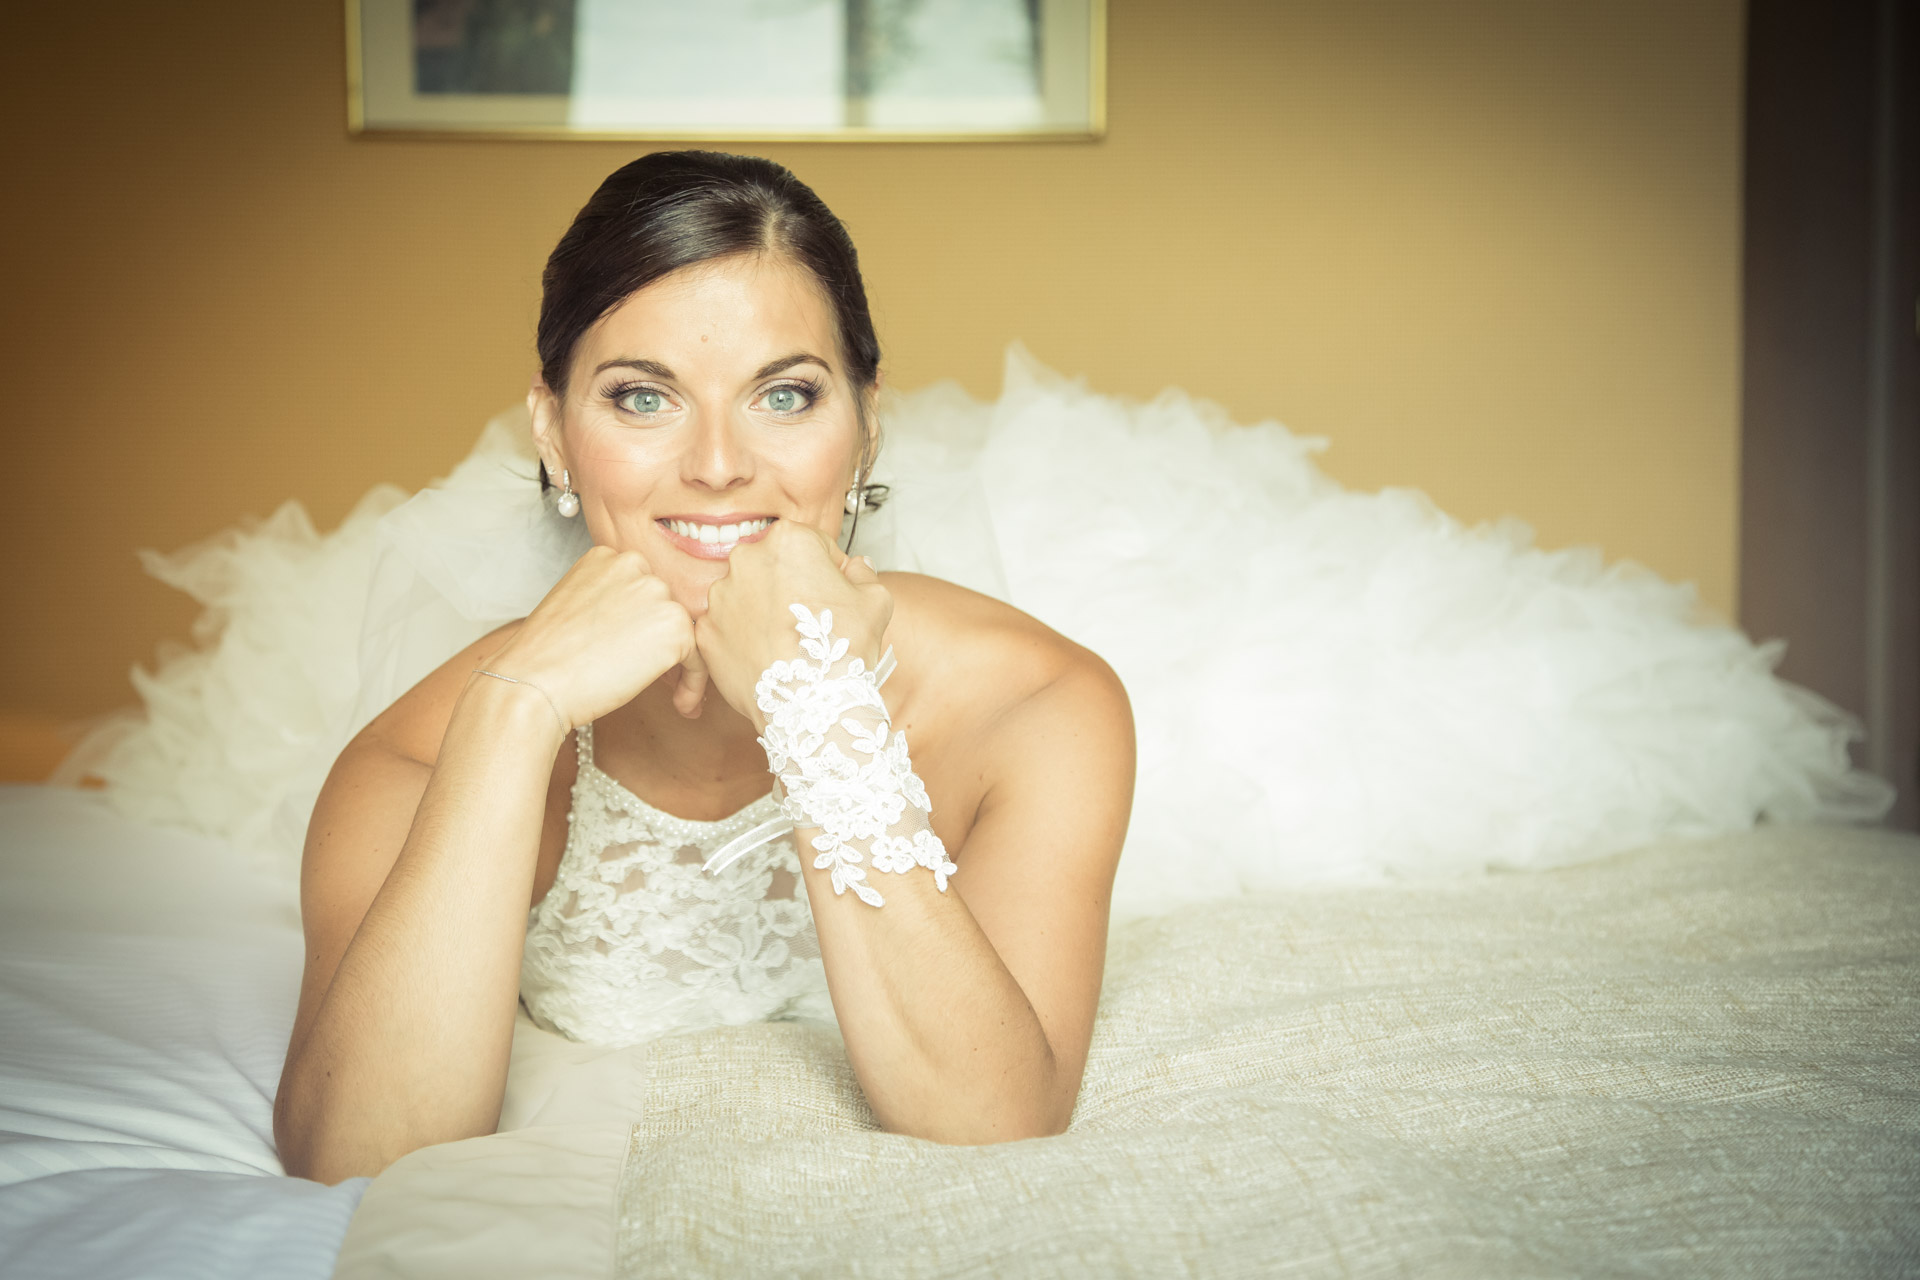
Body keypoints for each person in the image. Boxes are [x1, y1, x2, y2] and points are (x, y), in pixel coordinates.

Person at [271, 151, 1137, 1183]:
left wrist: (815, 707)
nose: (719, 464)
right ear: (554, 429)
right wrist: (514, 712)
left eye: (786, 394)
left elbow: (994, 1122)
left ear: (864, 421)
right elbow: (355, 1152)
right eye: (644, 398)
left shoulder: (1038, 707)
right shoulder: (413, 753)